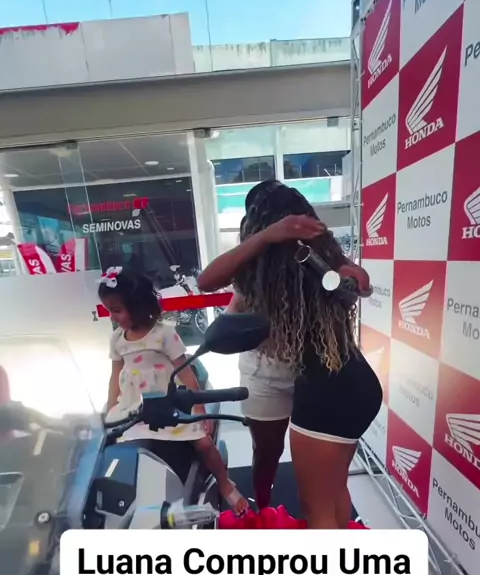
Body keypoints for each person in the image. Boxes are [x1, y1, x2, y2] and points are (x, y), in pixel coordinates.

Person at [198, 182, 382, 528]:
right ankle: (263, 508)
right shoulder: (252, 266)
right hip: (268, 375)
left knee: (322, 494)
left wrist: (352, 279)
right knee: (268, 455)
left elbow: (356, 279)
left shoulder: (319, 259)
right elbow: (206, 282)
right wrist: (268, 237)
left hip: (316, 380)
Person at [98, 266, 248, 513]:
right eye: (109, 310)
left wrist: (198, 409)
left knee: (203, 444)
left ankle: (224, 483)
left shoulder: (164, 334)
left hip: (169, 404)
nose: (112, 317)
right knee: (112, 449)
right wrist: (111, 407)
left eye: (116, 310)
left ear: (137, 307)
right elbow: (116, 374)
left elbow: (186, 372)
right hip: (135, 407)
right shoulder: (117, 339)